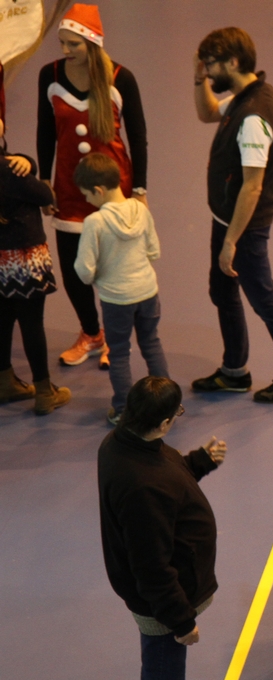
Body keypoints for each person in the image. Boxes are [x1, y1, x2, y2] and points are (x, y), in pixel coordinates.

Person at [97, 376, 226, 680]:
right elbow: (151, 566)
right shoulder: (141, 483)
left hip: (162, 600)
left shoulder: (124, 443)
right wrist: (180, 619)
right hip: (162, 606)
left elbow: (173, 477)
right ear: (166, 421)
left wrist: (201, 462)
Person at [190, 27, 273, 403]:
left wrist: (231, 242)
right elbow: (207, 112)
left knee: (262, 297)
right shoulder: (251, 94)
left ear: (234, 62)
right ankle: (234, 371)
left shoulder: (253, 118)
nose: (208, 71)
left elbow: (253, 186)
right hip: (226, 219)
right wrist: (198, 78)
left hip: (244, 228)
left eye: (211, 64)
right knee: (222, 291)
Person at [37, 3, 148, 370]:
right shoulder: (49, 75)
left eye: (73, 44)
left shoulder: (121, 78)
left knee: (113, 271)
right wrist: (44, 182)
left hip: (113, 192)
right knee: (73, 271)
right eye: (62, 43)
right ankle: (91, 332)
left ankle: (115, 340)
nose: (65, 51)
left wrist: (141, 192)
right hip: (69, 188)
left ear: (92, 44)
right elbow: (46, 132)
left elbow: (138, 137)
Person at [73, 153, 166, 425]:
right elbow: (154, 251)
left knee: (120, 352)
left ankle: (123, 408)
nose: (87, 201)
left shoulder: (95, 223)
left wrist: (99, 275)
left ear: (98, 191)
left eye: (87, 196)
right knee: (152, 344)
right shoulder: (141, 209)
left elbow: (83, 269)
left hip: (117, 300)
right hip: (148, 293)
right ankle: (169, 401)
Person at [0, 119, 71, 415]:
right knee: (31, 325)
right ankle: (44, 392)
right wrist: (27, 165)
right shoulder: (7, 171)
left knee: (2, 321)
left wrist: (25, 161)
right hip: (24, 260)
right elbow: (44, 195)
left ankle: (5, 382)